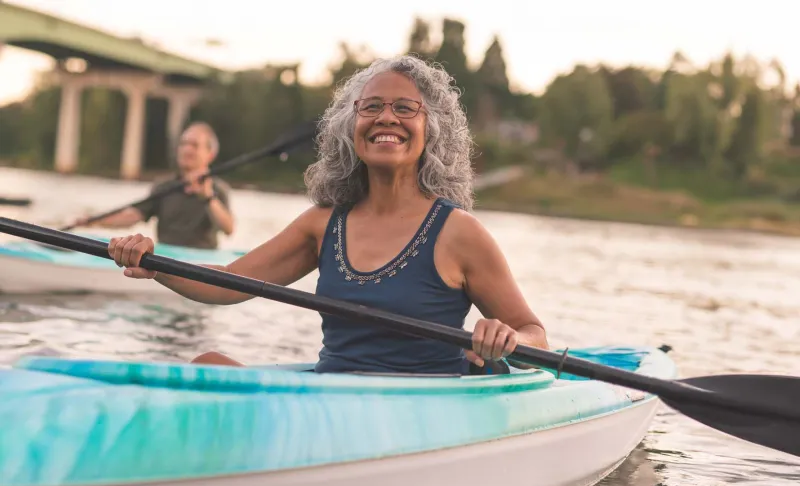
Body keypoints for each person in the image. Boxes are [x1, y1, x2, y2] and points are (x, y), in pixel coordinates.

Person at [108, 55, 549, 374]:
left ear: (431, 129)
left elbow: (534, 333)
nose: (386, 117)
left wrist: (507, 339)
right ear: (349, 127)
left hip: (421, 405)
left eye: (405, 107)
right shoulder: (322, 223)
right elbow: (225, 283)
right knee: (206, 365)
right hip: (333, 399)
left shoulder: (459, 232)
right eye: (371, 106)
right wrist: (153, 262)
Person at [75, 122, 235, 250]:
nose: (187, 149)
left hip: (202, 259)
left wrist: (207, 197)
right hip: (167, 254)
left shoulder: (218, 189)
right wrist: (94, 221)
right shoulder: (164, 186)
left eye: (194, 145)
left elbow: (229, 229)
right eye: (183, 144)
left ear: (210, 154)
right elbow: (132, 216)